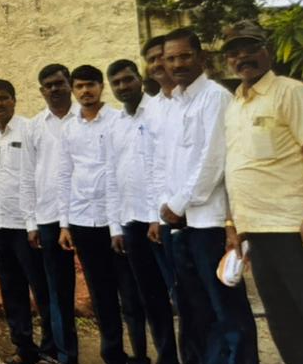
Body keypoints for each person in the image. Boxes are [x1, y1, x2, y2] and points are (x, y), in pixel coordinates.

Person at [156, 28, 258, 364]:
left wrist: (177, 204)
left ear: (201, 57)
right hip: (181, 224)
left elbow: (212, 161)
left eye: (185, 56)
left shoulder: (215, 98)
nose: (177, 64)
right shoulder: (174, 104)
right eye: (171, 58)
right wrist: (167, 207)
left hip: (211, 222)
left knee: (227, 308)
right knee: (196, 308)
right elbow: (166, 162)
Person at [221, 20, 303, 363]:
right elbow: (237, 166)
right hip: (255, 230)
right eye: (234, 52)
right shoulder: (236, 104)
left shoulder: (290, 92)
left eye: (250, 48)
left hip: (292, 229)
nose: (242, 57)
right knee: (282, 320)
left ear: (267, 50)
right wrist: (233, 224)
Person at [106, 59, 178, 364]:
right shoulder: (116, 124)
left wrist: (156, 217)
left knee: (180, 295)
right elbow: (113, 176)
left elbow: (162, 167)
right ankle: (167, 357)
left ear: (139, 78)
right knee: (151, 297)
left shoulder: (160, 112)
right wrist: (116, 227)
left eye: (127, 79)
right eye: (116, 82)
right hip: (131, 222)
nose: (123, 86)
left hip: (160, 222)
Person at [55, 65, 128, 364]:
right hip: (83, 220)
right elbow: (64, 175)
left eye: (91, 85)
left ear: (101, 87)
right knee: (101, 292)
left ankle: (137, 350)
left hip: (117, 220)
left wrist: (117, 224)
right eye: (80, 86)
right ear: (73, 90)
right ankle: (112, 353)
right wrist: (64, 224)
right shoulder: (69, 128)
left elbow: (118, 170)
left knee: (129, 291)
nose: (85, 91)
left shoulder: (118, 120)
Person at [0, 80, 56, 364]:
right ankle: (24, 348)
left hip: (26, 225)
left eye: (3, 98)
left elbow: (38, 174)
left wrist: (33, 221)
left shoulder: (29, 129)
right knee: (11, 290)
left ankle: (50, 348)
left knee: (41, 288)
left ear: (14, 99)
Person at [142, 35, 200, 364]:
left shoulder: (191, 101)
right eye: (152, 60)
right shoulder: (153, 107)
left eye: (161, 57)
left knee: (202, 297)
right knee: (180, 294)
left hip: (198, 214)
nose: (159, 64)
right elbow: (156, 165)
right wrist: (157, 214)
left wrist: (176, 206)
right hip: (167, 217)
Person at [20, 64, 80, 364]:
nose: (54, 89)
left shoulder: (85, 118)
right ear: (41, 90)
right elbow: (27, 176)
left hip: (87, 214)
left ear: (70, 84)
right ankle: (63, 355)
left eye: (59, 83)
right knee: (57, 291)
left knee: (105, 287)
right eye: (48, 85)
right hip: (48, 217)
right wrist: (31, 223)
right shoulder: (34, 126)